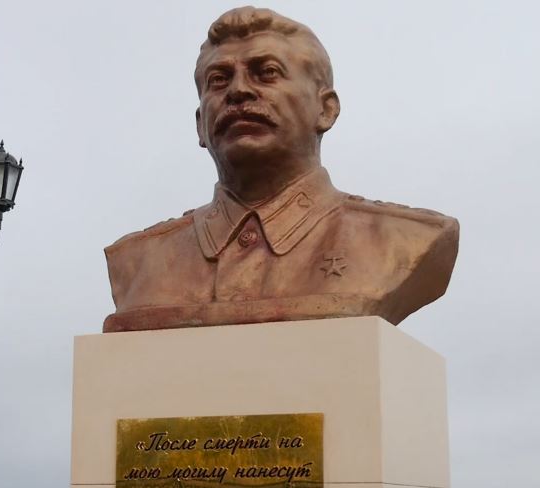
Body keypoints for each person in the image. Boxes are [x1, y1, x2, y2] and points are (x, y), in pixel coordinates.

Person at [103, 6, 458, 332]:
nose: (239, 91)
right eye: (219, 79)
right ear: (200, 124)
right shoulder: (138, 264)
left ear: (326, 110)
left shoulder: (402, 241)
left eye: (267, 73)